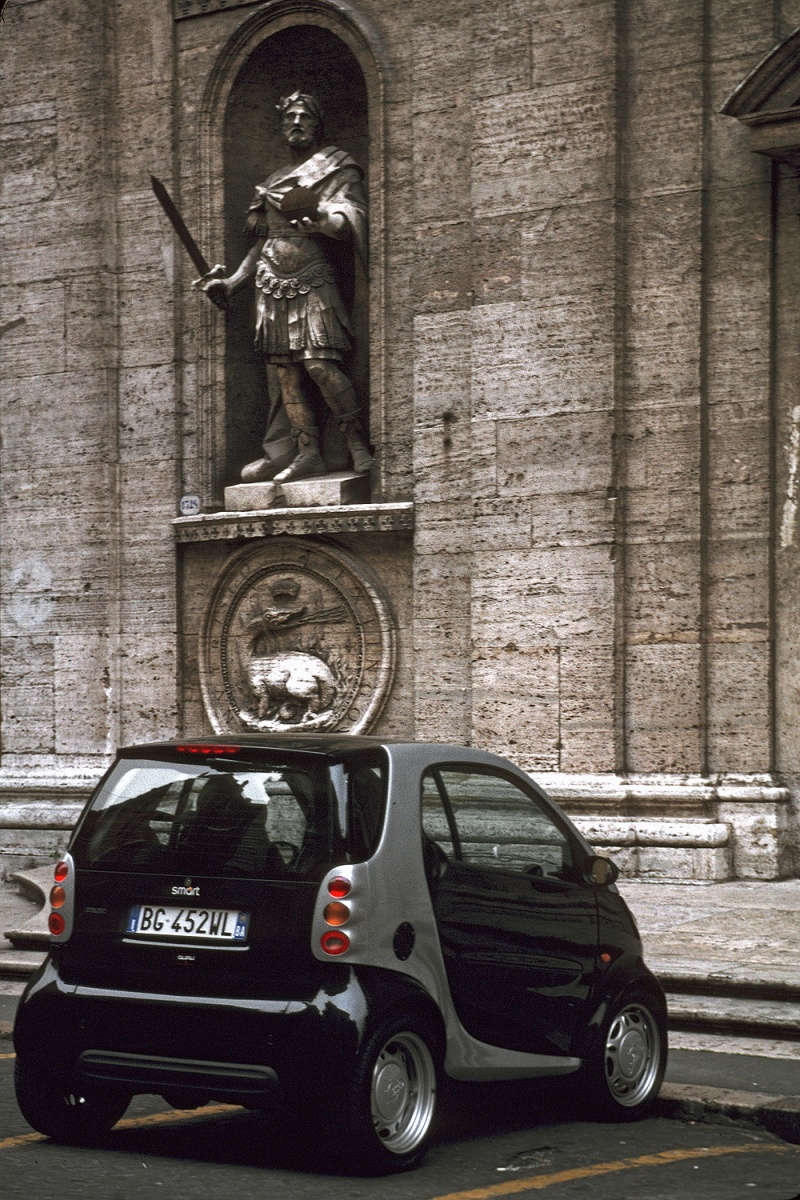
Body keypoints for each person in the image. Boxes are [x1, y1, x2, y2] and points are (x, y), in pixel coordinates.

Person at [194, 91, 372, 483]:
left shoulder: (337, 166)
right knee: (284, 373)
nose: (295, 124)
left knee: (319, 363)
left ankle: (355, 441)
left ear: (316, 123)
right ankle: (306, 452)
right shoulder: (271, 183)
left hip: (313, 276)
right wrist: (234, 282)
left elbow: (351, 216)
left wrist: (325, 219)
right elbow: (262, 243)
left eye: (303, 118)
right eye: (289, 118)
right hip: (270, 282)